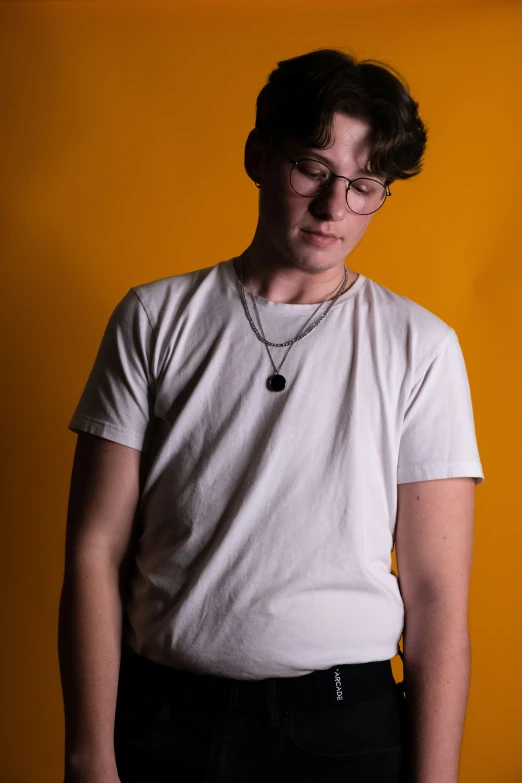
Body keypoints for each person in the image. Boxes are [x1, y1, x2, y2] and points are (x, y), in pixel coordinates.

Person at [58, 48, 484, 783]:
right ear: (260, 155)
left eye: (363, 186)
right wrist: (89, 753)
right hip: (166, 717)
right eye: (313, 170)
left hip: (347, 726)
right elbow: (95, 550)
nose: (333, 208)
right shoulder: (155, 318)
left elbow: (439, 595)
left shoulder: (421, 345)